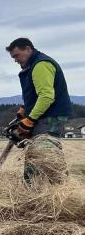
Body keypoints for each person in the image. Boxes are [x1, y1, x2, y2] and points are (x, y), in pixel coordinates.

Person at [5, 38, 71, 183]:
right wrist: (25, 109)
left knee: (43, 154)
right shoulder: (32, 66)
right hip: (45, 115)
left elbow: (47, 97)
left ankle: (48, 188)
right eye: (13, 57)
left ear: (28, 49)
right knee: (40, 153)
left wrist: (30, 119)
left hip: (50, 116)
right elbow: (36, 94)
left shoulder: (41, 65)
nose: (15, 60)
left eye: (16, 55)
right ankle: (49, 187)